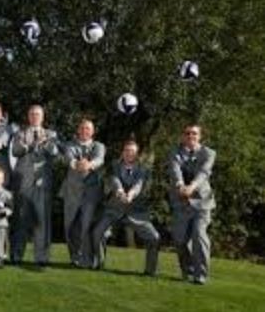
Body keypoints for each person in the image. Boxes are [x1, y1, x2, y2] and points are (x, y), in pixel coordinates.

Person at [92, 139, 159, 275]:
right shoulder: (114, 165)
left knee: (154, 237)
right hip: (114, 209)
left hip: (135, 212)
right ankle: (98, 264)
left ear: (137, 154)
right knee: (97, 233)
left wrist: (131, 195)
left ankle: (150, 271)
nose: (129, 154)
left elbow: (139, 184)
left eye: (132, 152)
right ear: (123, 153)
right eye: (127, 151)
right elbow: (115, 180)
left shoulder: (143, 169)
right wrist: (121, 192)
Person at [10, 105, 59, 266]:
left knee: (42, 220)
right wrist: (32, 144)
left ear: (43, 117)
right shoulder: (20, 133)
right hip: (23, 182)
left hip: (43, 183)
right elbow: (16, 151)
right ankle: (16, 256)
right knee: (21, 219)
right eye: (32, 114)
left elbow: (54, 152)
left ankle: (42, 258)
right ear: (28, 116)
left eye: (37, 114)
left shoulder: (51, 134)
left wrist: (44, 143)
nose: (34, 116)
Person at [168, 124, 216, 285]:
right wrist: (181, 186)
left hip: (202, 202)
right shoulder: (175, 151)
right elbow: (175, 171)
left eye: (194, 133)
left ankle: (200, 275)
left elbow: (204, 173)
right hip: (181, 201)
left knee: (199, 234)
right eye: (187, 133)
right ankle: (188, 268)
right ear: (183, 135)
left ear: (200, 136)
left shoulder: (209, 153)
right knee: (180, 240)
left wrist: (192, 187)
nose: (191, 136)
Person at [59, 118, 106, 268]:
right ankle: (74, 257)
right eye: (83, 128)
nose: (85, 131)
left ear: (92, 132)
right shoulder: (70, 145)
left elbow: (99, 160)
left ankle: (88, 259)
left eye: (88, 129)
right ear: (78, 130)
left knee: (87, 226)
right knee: (69, 226)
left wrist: (89, 165)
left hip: (91, 194)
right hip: (71, 192)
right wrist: (77, 165)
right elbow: (69, 158)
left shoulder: (99, 146)